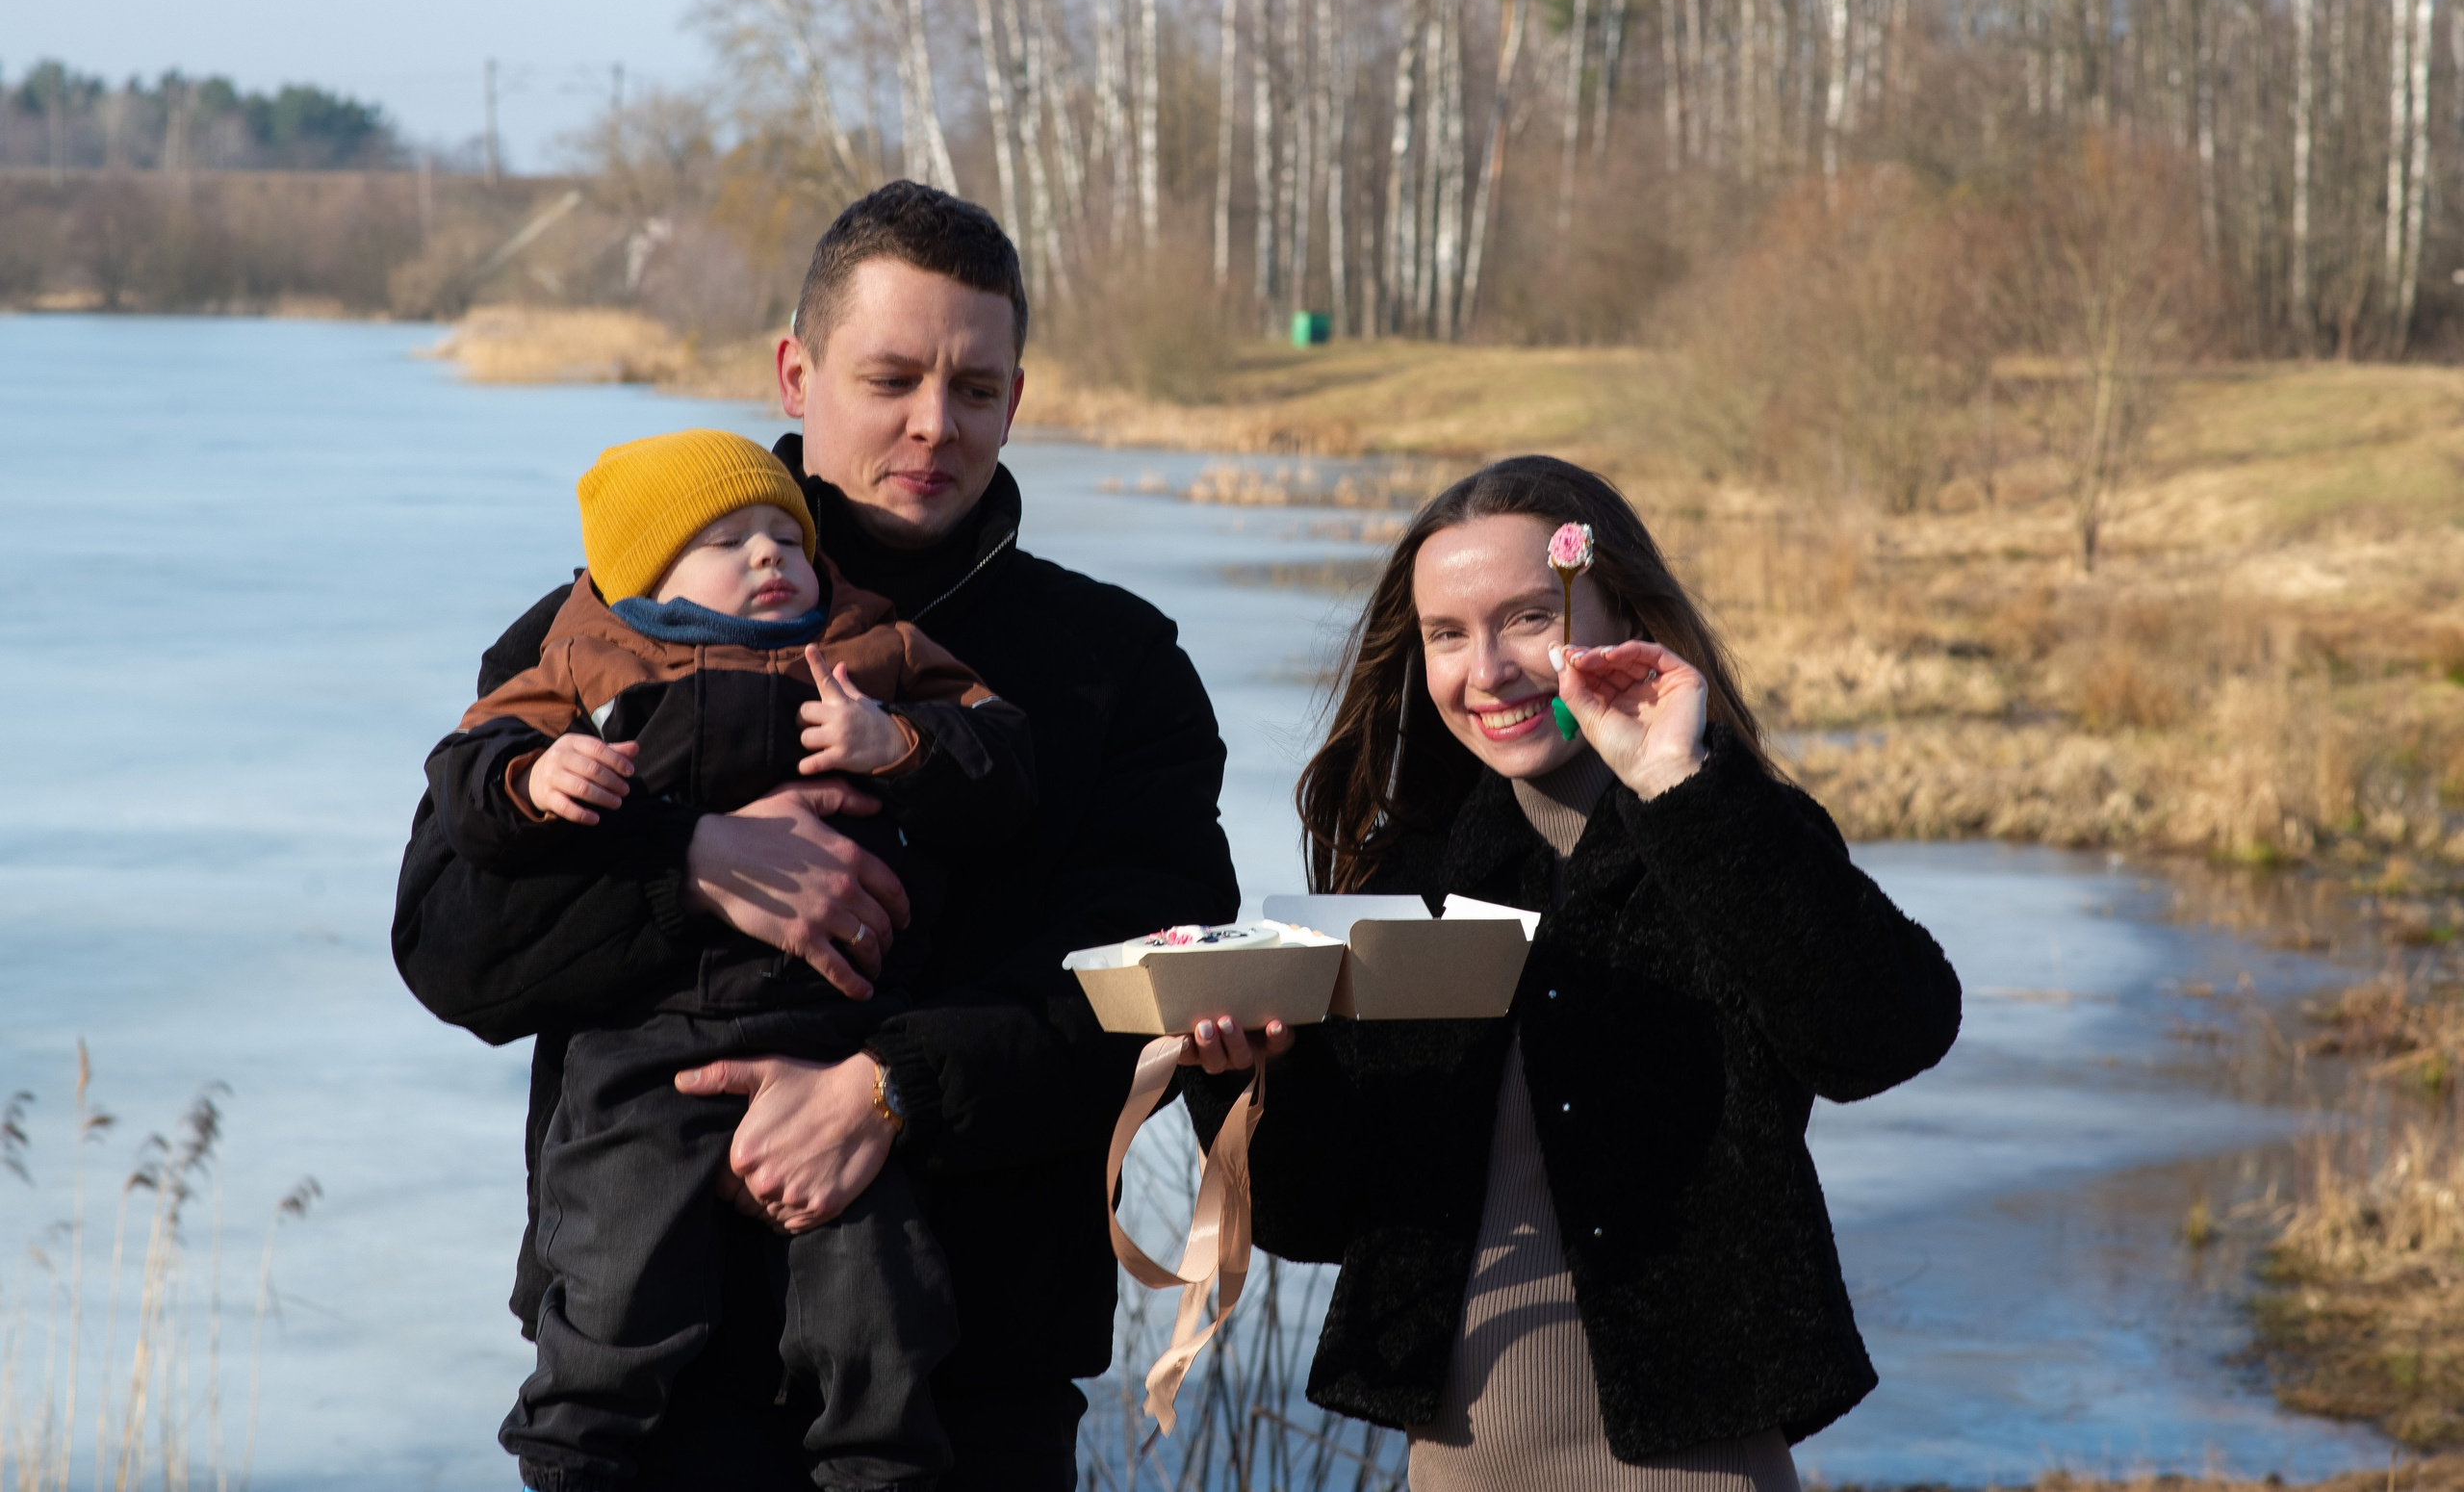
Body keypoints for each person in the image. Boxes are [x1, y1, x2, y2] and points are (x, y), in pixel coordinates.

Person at [394, 182, 1240, 1491]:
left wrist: (889, 1089)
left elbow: (1151, 977)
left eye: (973, 387)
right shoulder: (606, 622)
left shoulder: (1111, 668)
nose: (932, 425)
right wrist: (690, 872)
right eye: (890, 377)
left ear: (1016, 397)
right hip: (644, 1385)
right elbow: (448, 944)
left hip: (969, 1394)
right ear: (795, 372)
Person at [1181, 455, 1962, 1489]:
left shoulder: (1725, 831)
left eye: (1525, 619)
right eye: (1447, 634)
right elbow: (1312, 1212)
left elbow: (1882, 1033)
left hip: (1697, 1468)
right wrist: (1241, 1076)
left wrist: (1679, 786)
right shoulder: (1409, 880)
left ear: (1620, 613)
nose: (1487, 668)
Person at [425, 427, 1037, 1492]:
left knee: (875, 1295)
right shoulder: (588, 652)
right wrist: (538, 777)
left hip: (833, 1032)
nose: (768, 557)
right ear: (647, 574)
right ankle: (571, 1453)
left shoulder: (867, 643)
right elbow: (464, 790)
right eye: (726, 540)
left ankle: (878, 1468)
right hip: (646, 1045)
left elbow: (1001, 750)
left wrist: (897, 744)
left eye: (782, 536)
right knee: (614, 1273)